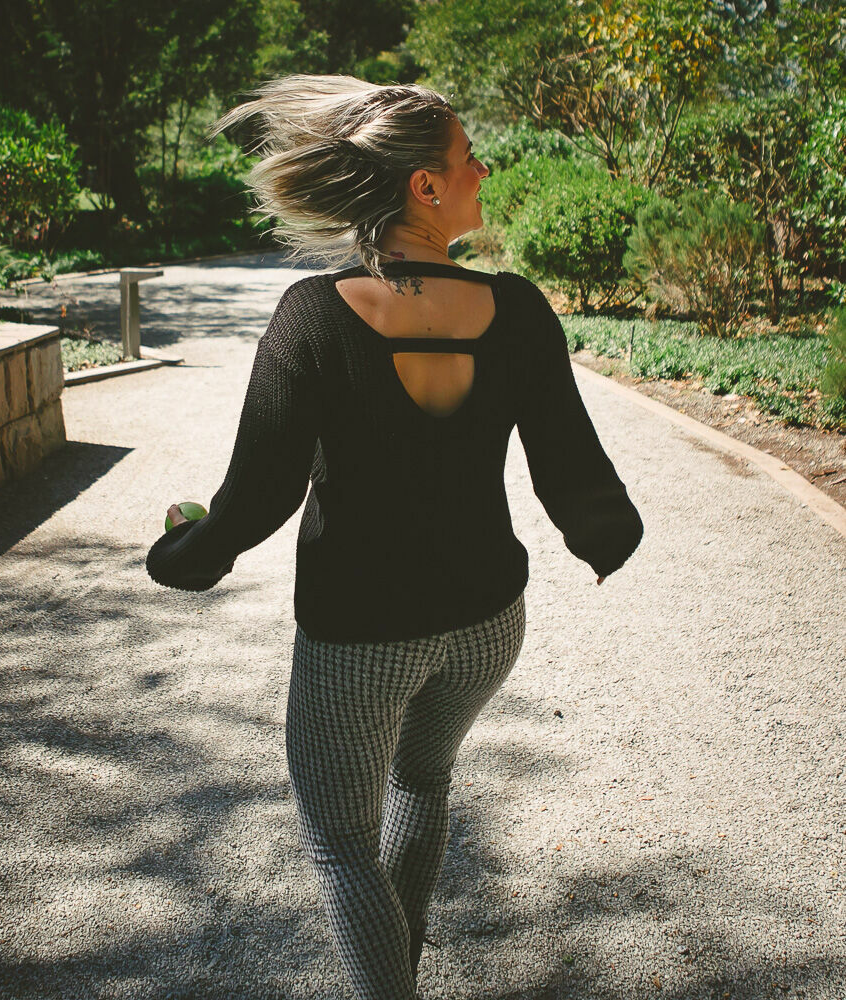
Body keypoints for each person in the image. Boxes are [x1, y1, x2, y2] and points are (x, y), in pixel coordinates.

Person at [145, 76, 643, 998]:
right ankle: (399, 966)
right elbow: (571, 464)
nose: (481, 170)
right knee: (423, 782)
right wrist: (605, 533)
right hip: (489, 621)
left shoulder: (313, 315)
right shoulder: (520, 309)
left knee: (338, 844)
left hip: (360, 634)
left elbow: (258, 496)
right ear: (425, 187)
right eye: (467, 158)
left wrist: (186, 550)